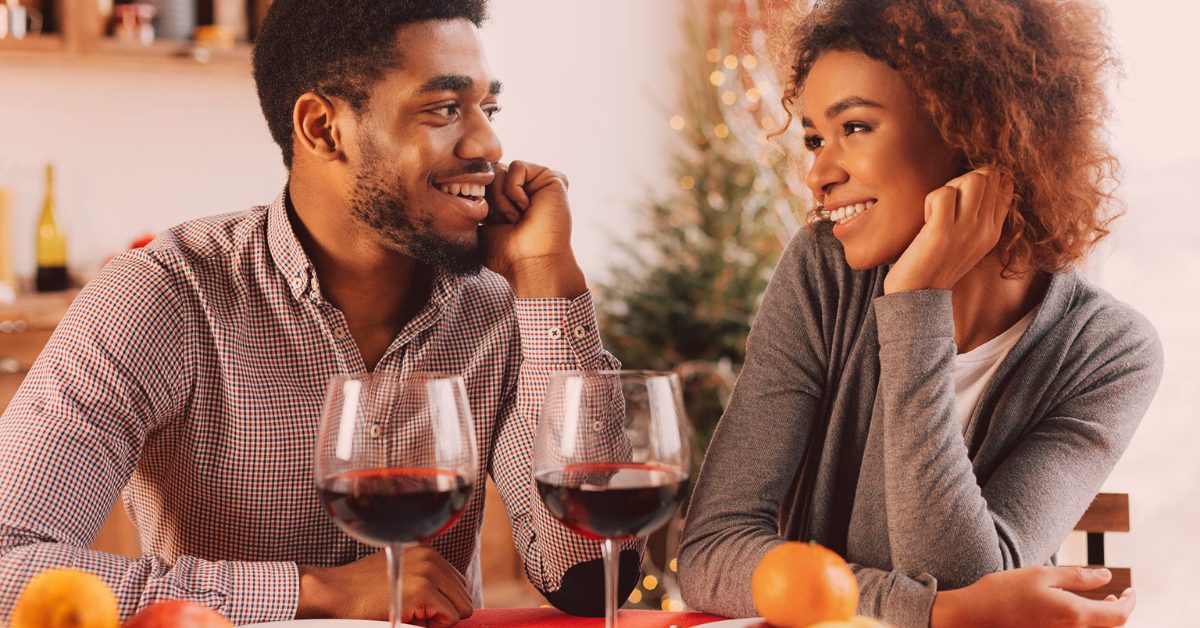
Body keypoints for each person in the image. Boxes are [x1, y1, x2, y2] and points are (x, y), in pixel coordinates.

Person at [0, 1, 640, 625]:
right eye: (445, 109)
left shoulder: (502, 304)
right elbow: (9, 565)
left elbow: (586, 577)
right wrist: (313, 591)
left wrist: (546, 276)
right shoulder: (166, 295)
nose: (489, 141)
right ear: (321, 128)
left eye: (488, 107)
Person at [678, 0, 1162, 627]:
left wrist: (916, 305)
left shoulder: (1108, 352)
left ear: (973, 127)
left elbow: (967, 577)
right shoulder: (822, 274)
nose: (817, 174)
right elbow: (711, 554)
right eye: (814, 139)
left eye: (854, 127)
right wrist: (933, 611)